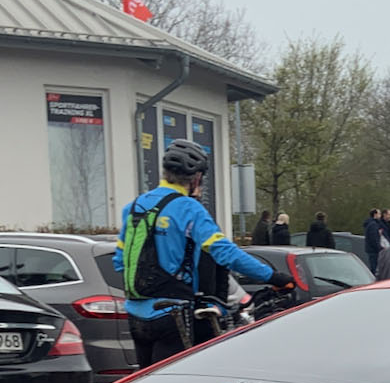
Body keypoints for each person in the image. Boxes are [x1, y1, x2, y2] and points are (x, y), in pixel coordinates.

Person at [115, 139, 289, 367]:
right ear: (196, 178)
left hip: (136, 314)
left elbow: (120, 262)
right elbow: (226, 253)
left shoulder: (134, 207)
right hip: (172, 314)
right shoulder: (189, 208)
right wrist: (273, 277)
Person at [362, 209, 384, 274]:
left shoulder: (370, 224)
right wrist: (379, 248)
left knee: (373, 266)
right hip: (374, 251)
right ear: (375, 214)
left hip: (371, 249)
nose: (380, 216)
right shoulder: (373, 225)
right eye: (379, 214)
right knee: (375, 268)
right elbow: (374, 239)